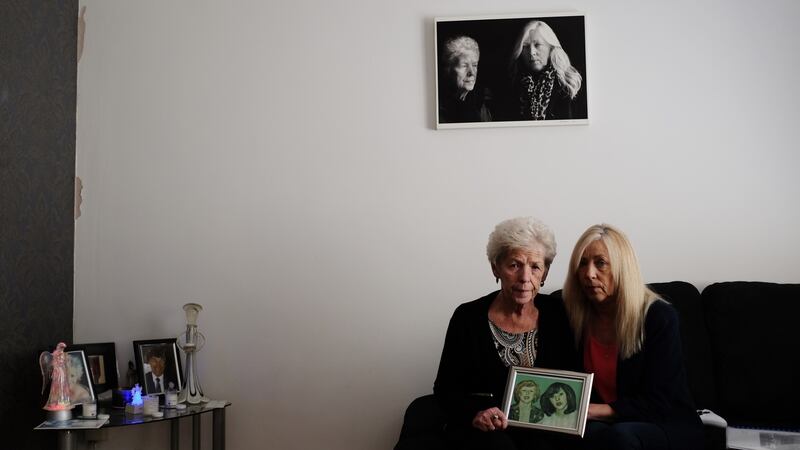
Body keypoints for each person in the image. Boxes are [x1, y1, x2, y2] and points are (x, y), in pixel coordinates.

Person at [433, 217, 578, 450]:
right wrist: (476, 413)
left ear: (545, 273)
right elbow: (445, 389)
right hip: (485, 430)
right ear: (496, 268)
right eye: (514, 265)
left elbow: (573, 377)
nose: (525, 278)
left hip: (541, 429)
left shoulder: (559, 314)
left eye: (535, 267)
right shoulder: (467, 317)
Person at [562, 224, 703, 450]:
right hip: (607, 425)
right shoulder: (573, 317)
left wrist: (590, 411)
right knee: (582, 435)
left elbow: (660, 401)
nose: (589, 273)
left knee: (619, 437)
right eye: (582, 263)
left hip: (663, 422)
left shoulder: (658, 317)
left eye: (600, 263)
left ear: (623, 267)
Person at [508, 20, 582, 120]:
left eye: (537, 45)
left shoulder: (569, 84)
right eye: (525, 46)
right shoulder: (512, 86)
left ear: (551, 48)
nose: (531, 52)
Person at [438, 35, 493, 123]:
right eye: (464, 65)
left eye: (474, 65)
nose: (471, 73)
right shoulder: (438, 109)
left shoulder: (482, 106)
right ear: (448, 69)